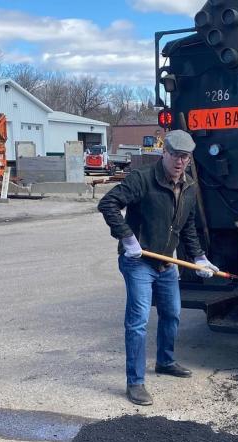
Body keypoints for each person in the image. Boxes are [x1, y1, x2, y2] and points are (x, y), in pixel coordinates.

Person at [98, 130, 219, 406]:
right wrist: (128, 238)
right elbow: (108, 204)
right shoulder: (142, 180)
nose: (179, 161)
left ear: (189, 159)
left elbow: (186, 226)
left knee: (172, 313)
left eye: (184, 157)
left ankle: (165, 361)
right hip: (138, 261)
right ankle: (136, 382)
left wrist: (199, 257)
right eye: (175, 155)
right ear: (164, 153)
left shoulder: (188, 186)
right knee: (138, 321)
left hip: (167, 263)